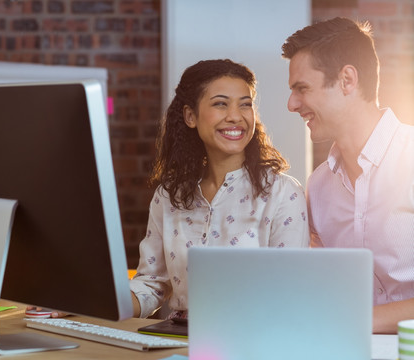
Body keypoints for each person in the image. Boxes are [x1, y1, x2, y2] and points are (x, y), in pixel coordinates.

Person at [129, 59, 310, 319]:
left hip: (250, 344)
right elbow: (150, 285)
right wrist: (94, 303)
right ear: (191, 116)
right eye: (220, 104)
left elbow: (291, 294)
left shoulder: (283, 194)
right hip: (178, 341)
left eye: (245, 104)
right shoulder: (169, 195)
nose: (236, 116)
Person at [282, 17, 414, 334]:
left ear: (347, 80)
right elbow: (321, 287)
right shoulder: (319, 186)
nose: (292, 104)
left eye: (302, 89)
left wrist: (357, 321)